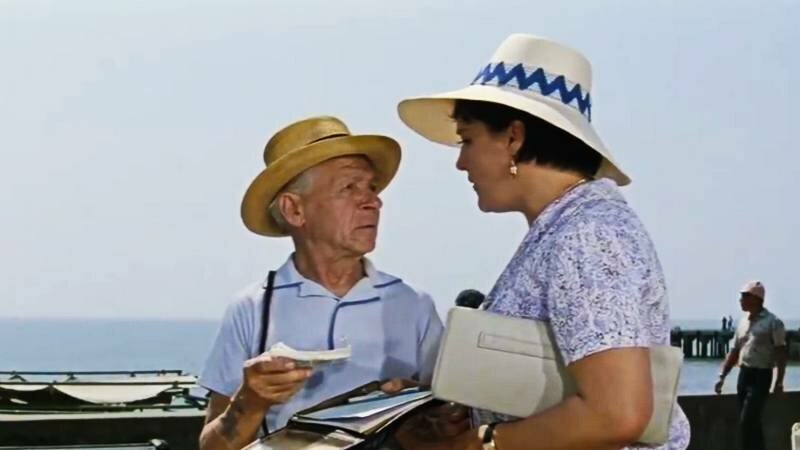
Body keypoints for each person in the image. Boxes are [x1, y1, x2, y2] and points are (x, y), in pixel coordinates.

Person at [395, 33, 690, 449]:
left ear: (513, 138)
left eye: (467, 140)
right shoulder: (571, 225)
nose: (461, 162)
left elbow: (617, 413)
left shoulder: (586, 235)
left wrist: (485, 442)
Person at [198, 116, 444, 450]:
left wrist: (425, 418)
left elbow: (449, 433)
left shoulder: (413, 305)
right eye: (349, 188)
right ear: (294, 210)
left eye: (371, 187)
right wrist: (250, 402)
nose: (373, 201)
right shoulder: (253, 308)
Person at [714, 280, 787, 450]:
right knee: (752, 422)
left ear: (756, 298)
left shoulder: (773, 322)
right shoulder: (742, 322)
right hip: (744, 375)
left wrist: (779, 381)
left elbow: (781, 353)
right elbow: (734, 351)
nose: (741, 300)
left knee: (747, 420)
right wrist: (722, 376)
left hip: (761, 375)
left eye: (744, 296)